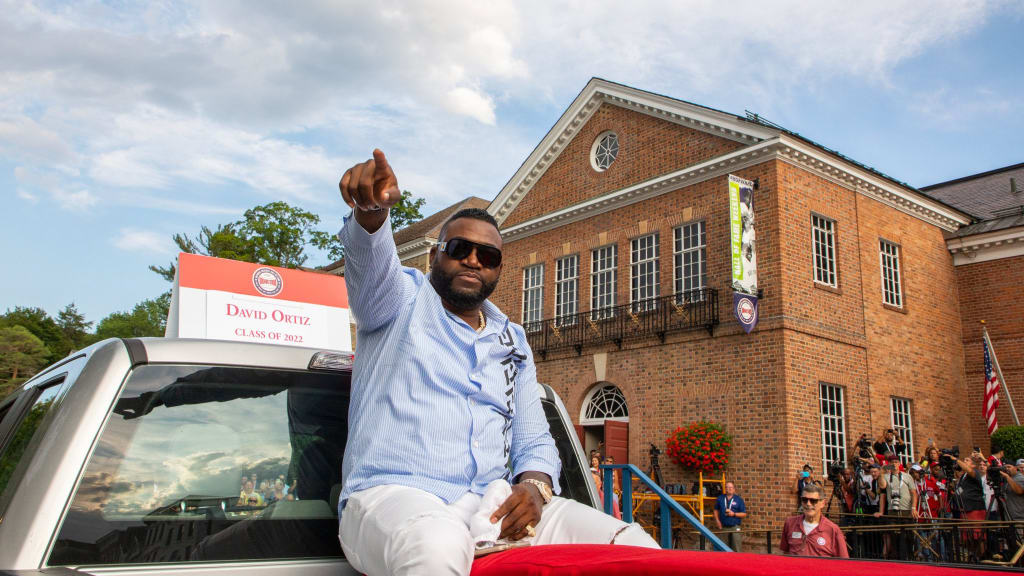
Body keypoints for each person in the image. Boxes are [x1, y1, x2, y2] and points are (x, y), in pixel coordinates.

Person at [335, 150, 659, 576]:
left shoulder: (513, 340)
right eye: (459, 249)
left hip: (490, 508)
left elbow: (535, 439)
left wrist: (535, 487)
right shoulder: (399, 302)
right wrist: (371, 213)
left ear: (498, 269)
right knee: (437, 548)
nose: (473, 260)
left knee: (635, 547)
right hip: (393, 498)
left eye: (487, 256)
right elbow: (372, 269)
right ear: (435, 256)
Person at [780, 484, 849, 558]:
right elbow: (785, 553)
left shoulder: (833, 530)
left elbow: (844, 561)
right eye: (804, 500)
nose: (808, 504)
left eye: (813, 501)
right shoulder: (790, 523)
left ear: (822, 503)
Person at [713, 481, 747, 552]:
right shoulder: (720, 498)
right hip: (724, 527)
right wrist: (717, 521)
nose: (729, 489)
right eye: (727, 487)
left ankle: (737, 562)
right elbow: (716, 510)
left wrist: (734, 514)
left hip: (735, 527)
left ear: (734, 489)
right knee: (723, 548)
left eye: (731, 487)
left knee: (736, 548)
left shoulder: (739, 500)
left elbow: (744, 514)